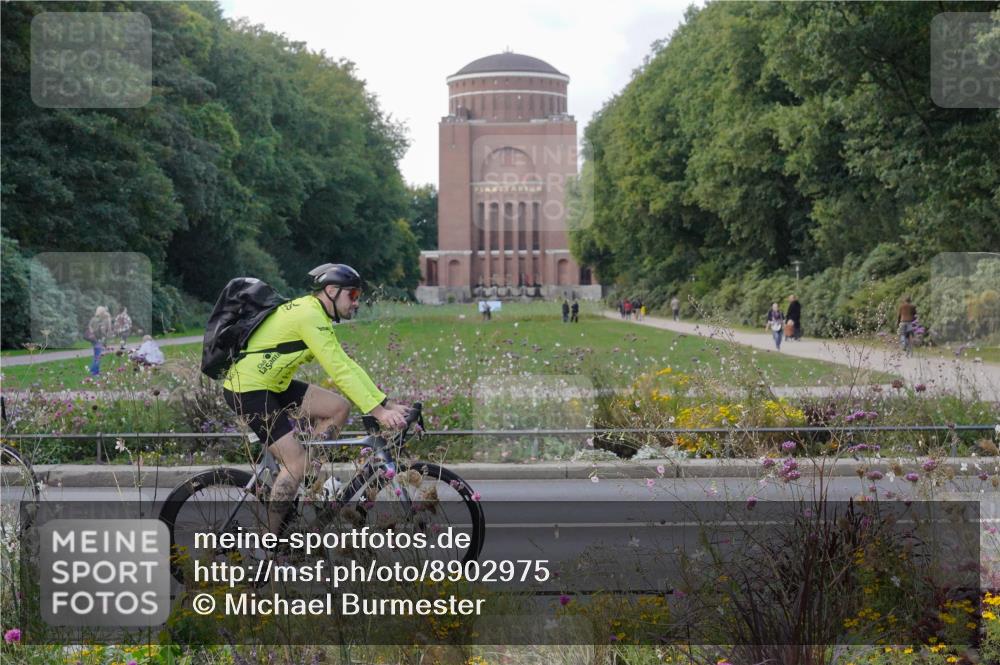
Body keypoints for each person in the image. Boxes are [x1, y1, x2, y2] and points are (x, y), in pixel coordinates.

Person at [222, 263, 410, 538]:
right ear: (331, 291)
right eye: (353, 295)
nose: (356, 302)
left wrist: (385, 403)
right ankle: (267, 545)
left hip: (273, 385)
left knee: (338, 408)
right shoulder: (309, 315)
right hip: (248, 389)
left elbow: (345, 362)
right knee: (294, 462)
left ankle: (307, 478)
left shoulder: (314, 312)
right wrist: (378, 412)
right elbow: (338, 369)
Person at [85, 306, 112, 375]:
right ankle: (95, 373)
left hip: (93, 339)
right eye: (104, 312)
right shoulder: (100, 320)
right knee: (98, 357)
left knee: (96, 355)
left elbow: (90, 326)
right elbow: (102, 331)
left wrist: (92, 333)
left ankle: (92, 370)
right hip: (98, 340)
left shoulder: (93, 319)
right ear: (102, 312)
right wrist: (105, 336)